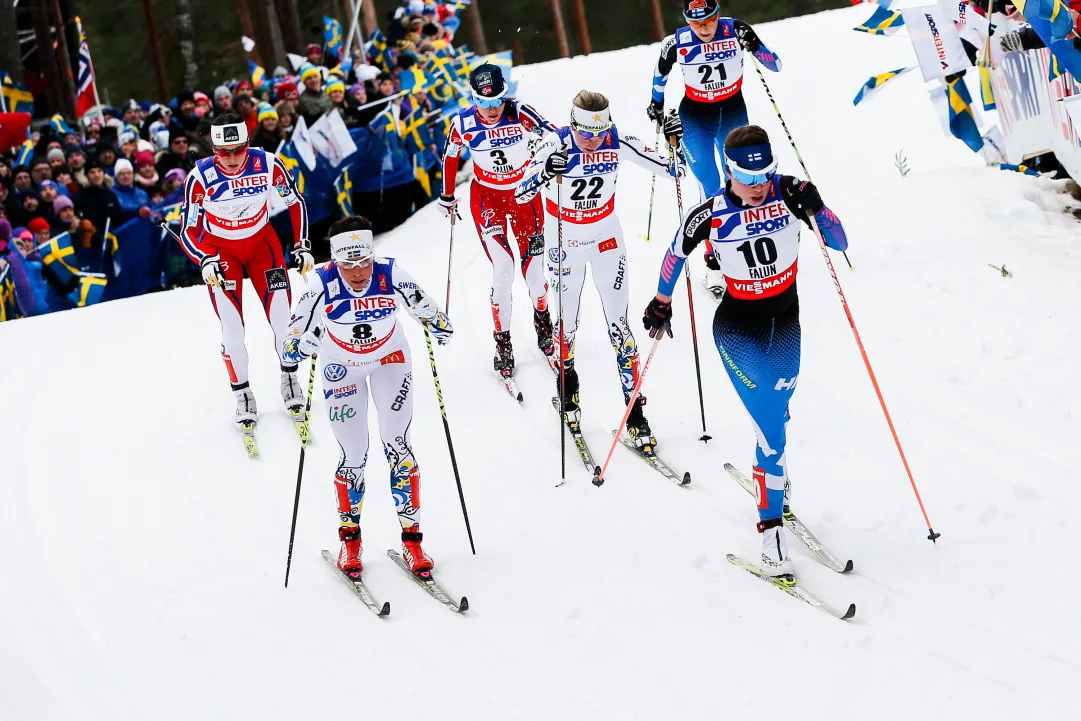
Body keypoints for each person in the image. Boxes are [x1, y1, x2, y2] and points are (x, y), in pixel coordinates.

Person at [641, 125, 849, 577]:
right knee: (771, 428)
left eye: (763, 178)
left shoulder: (789, 194)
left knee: (781, 410)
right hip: (739, 329)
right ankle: (770, 537)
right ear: (728, 172)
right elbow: (675, 254)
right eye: (745, 179)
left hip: (786, 324)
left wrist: (817, 206)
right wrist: (661, 302)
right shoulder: (710, 213)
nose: (756, 188)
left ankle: (774, 478)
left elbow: (840, 242)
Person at [282, 215, 452, 578]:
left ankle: (413, 542)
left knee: (398, 446)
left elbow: (437, 316)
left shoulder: (393, 274)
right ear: (334, 260)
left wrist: (436, 321)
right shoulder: (319, 284)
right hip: (340, 367)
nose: (357, 272)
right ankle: (351, 543)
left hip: (390, 359)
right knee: (354, 456)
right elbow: (288, 351)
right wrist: (304, 344)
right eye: (348, 263)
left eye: (364, 262)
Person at [517, 91, 684, 446]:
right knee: (568, 324)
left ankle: (635, 414)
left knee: (619, 325)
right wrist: (546, 171)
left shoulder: (617, 138)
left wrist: (677, 141)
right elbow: (519, 192)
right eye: (585, 133)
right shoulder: (553, 143)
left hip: (607, 238)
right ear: (572, 124)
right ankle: (569, 391)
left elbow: (676, 170)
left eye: (599, 132)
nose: (593, 141)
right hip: (565, 243)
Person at [178, 113, 312, 429]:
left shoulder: (268, 163)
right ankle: (243, 394)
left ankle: (289, 379)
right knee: (233, 330)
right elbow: (188, 228)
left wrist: (302, 244)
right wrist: (204, 259)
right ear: (213, 148)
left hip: (263, 248)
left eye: (239, 149)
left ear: (247, 144)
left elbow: (296, 203)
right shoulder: (200, 176)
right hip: (222, 254)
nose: (233, 159)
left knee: (282, 320)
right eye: (224, 153)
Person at [438, 63, 559, 385]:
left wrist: (547, 155)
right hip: (486, 198)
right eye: (484, 103)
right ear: (473, 99)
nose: (492, 110)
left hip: (525, 195)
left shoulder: (520, 112)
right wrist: (447, 196)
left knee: (534, 273)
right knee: (503, 267)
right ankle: (503, 342)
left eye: (497, 102)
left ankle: (543, 321)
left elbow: (555, 134)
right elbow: (450, 157)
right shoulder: (462, 122)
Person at [649, 0, 767, 296]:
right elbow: (659, 75)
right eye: (695, 23)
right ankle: (714, 259)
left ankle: (748, 243)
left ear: (717, 15)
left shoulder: (735, 29)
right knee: (711, 186)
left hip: (732, 114)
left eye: (709, 21)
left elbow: (774, 64)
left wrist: (754, 45)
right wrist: (656, 105)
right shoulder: (674, 42)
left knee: (738, 180)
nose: (703, 28)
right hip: (695, 119)